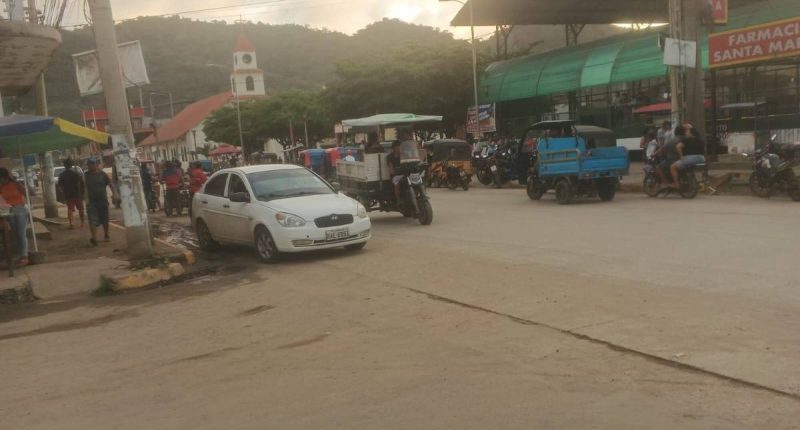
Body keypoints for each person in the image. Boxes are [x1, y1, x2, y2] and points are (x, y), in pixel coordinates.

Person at [0, 168, 29, 267]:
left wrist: (29, 205)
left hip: (20, 209)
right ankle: (20, 255)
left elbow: (27, 193)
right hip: (9, 211)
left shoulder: (16, 184)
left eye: (2, 179)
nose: (1, 181)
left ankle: (24, 256)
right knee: (16, 233)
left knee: (21, 233)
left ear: (5, 177)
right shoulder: (1, 187)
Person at [84, 158, 117, 246]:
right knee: (92, 220)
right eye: (90, 164)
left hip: (103, 201)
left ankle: (106, 234)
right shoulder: (85, 176)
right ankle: (94, 237)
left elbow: (110, 184)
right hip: (91, 202)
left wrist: (114, 194)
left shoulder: (102, 174)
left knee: (105, 219)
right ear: (88, 165)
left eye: (93, 164)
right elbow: (83, 188)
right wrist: (85, 199)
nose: (91, 166)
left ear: (97, 165)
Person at [57, 159, 85, 229]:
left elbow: (60, 187)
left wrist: (63, 193)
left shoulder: (62, 175)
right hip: (77, 194)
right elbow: (79, 184)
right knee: (81, 209)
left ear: (64, 166)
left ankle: (71, 224)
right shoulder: (75, 174)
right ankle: (82, 223)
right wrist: (81, 193)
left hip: (68, 195)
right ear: (71, 165)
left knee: (70, 209)